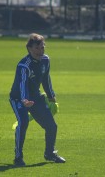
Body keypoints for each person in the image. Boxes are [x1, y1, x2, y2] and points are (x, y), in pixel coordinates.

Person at [9, 33, 65, 166]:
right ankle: (18, 157)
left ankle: (49, 153)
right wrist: (24, 100)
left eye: (42, 47)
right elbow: (22, 84)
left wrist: (51, 96)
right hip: (18, 98)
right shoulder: (24, 65)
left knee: (52, 126)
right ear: (29, 49)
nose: (41, 51)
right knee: (23, 123)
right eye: (37, 48)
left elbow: (46, 79)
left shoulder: (45, 60)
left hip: (36, 97)